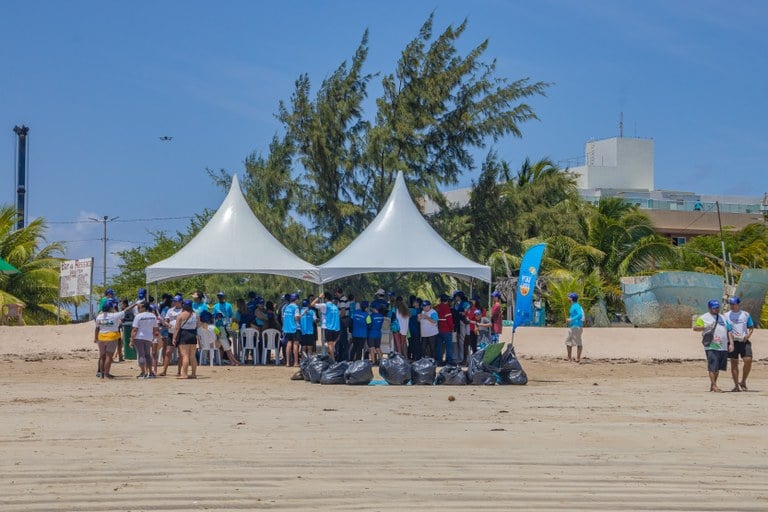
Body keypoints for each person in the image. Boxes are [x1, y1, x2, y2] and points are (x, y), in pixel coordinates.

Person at [693, 299, 733, 392]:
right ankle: (715, 386)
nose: (716, 309)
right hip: (711, 345)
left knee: (717, 367)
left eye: (717, 307)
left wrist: (731, 343)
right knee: (712, 365)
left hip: (723, 346)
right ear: (709, 308)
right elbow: (695, 328)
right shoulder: (703, 317)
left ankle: (712, 385)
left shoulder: (723, 317)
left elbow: (729, 330)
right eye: (714, 308)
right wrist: (705, 327)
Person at [94, 299, 131, 379]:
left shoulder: (99, 317)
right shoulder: (114, 315)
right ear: (111, 308)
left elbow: (97, 328)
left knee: (102, 356)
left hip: (101, 337)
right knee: (108, 357)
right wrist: (135, 304)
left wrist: (95, 338)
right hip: (112, 337)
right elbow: (126, 310)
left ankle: (101, 374)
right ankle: (107, 373)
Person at [726, 296, 754, 391]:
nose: (732, 306)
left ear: (738, 304)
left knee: (748, 360)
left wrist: (748, 335)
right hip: (732, 342)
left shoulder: (745, 314)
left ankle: (743, 381)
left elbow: (751, 327)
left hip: (744, 341)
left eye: (734, 304)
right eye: (731, 304)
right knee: (734, 363)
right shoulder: (726, 315)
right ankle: (736, 385)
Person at [130, 301, 159, 379]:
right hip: (149, 337)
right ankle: (150, 372)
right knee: (148, 355)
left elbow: (135, 329)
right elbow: (155, 328)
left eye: (139, 307)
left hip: (139, 337)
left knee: (141, 355)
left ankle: (143, 372)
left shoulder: (138, 316)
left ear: (144, 308)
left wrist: (131, 340)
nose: (138, 309)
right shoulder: (153, 316)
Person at [173, 299, 199, 379]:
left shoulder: (181, 315)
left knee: (185, 356)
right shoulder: (195, 315)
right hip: (193, 335)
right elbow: (198, 325)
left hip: (184, 335)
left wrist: (174, 338)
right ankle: (194, 374)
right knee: (192, 356)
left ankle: (184, 374)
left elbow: (177, 328)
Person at [312, 292, 340, 362]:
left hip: (329, 327)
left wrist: (319, 297)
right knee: (332, 345)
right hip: (336, 328)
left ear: (325, 298)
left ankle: (333, 360)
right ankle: (331, 357)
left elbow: (312, 304)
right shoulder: (335, 307)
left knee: (330, 345)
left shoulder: (325, 305)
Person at [160, 295, 183, 376]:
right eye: (174, 301)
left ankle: (179, 371)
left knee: (181, 353)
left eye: (176, 301)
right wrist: (167, 324)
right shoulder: (170, 310)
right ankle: (164, 371)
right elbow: (166, 321)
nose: (174, 303)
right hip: (171, 332)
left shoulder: (183, 310)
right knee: (168, 351)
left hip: (180, 333)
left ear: (180, 302)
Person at [565, 292, 585, 363]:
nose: (567, 298)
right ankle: (569, 358)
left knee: (578, 342)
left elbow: (580, 314)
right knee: (568, 342)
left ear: (571, 298)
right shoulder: (574, 305)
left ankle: (577, 358)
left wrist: (571, 319)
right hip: (573, 326)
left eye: (569, 297)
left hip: (576, 326)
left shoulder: (576, 306)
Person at [282, 294, 301, 366]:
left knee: (289, 344)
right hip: (295, 328)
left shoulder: (286, 307)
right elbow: (296, 318)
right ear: (296, 299)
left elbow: (284, 318)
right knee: (296, 344)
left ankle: (287, 362)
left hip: (287, 328)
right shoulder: (295, 307)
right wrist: (299, 317)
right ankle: (296, 362)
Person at [435, 294, 454, 365]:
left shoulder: (436, 307)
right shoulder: (447, 307)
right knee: (448, 346)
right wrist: (452, 328)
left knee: (439, 346)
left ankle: (439, 361)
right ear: (447, 300)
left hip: (438, 329)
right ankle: (449, 360)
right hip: (446, 330)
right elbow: (449, 320)